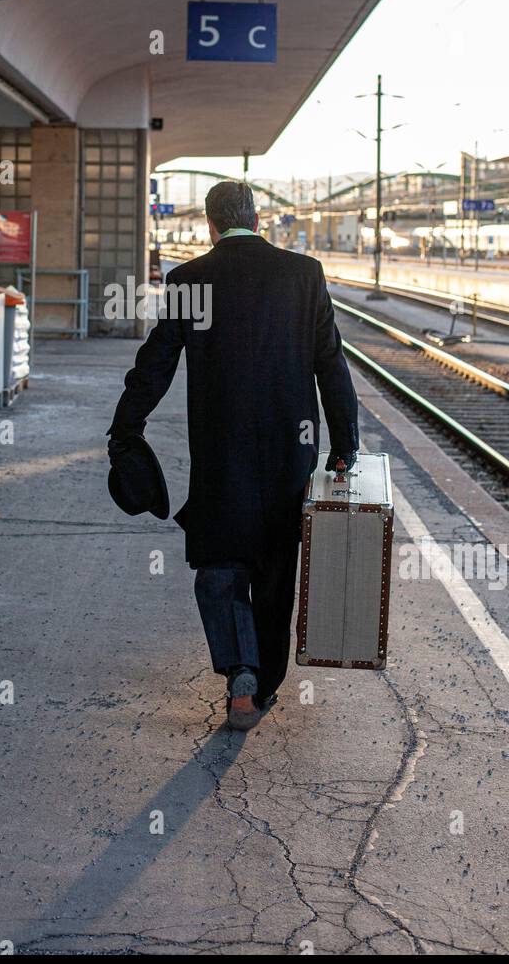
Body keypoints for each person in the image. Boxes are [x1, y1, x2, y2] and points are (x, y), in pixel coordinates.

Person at [108, 180, 358, 730]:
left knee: (219, 561)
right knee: (274, 567)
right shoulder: (303, 274)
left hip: (221, 454)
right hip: (291, 452)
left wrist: (126, 426)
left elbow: (156, 364)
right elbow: (331, 367)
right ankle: (262, 685)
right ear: (257, 218)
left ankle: (239, 669)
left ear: (210, 225)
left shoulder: (191, 280)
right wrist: (345, 446)